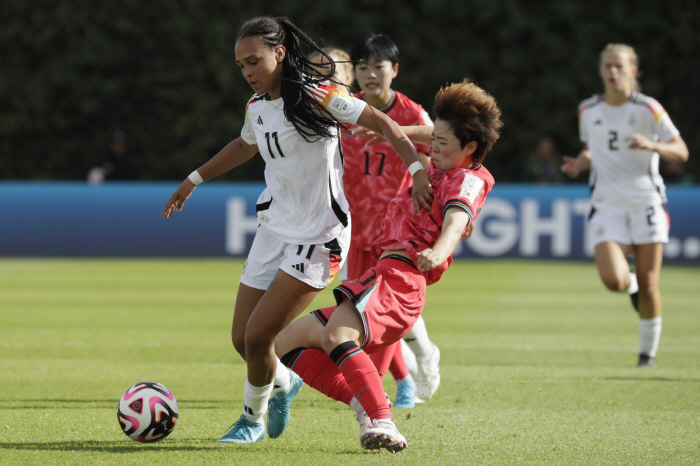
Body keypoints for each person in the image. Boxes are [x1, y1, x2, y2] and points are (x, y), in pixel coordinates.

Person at [161, 16, 434, 444]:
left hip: (318, 235)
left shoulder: (317, 94)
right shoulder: (256, 106)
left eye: (255, 61)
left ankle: (251, 420)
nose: (248, 71)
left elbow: (384, 124)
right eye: (241, 65)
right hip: (274, 230)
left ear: (280, 53)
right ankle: (286, 383)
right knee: (242, 339)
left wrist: (416, 168)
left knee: (259, 335)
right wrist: (193, 179)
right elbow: (244, 144)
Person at [275, 79, 502, 451]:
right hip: (383, 272)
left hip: (401, 278)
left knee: (337, 337)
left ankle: (382, 420)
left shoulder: (468, 180)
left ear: (470, 147)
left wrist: (441, 250)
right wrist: (392, 133)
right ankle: (364, 405)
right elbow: (428, 133)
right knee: (286, 343)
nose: (433, 145)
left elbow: (457, 220)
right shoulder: (448, 162)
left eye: (442, 142)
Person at [561, 43, 689, 368]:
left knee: (650, 283)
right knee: (614, 280)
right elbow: (595, 149)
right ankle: (628, 285)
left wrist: (654, 145)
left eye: (619, 66)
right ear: (601, 71)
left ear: (633, 70)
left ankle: (647, 357)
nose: (613, 72)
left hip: (646, 202)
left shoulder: (649, 109)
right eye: (608, 66)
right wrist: (579, 164)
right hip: (607, 205)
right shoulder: (587, 110)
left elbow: (682, 150)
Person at [341, 34, 438, 408]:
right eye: (361, 67)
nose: (369, 74)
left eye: (377, 66)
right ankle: (415, 365)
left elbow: (437, 149)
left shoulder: (413, 114)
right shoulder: (346, 109)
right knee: (367, 310)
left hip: (397, 231)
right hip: (355, 228)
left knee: (377, 308)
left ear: (394, 70)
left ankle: (382, 387)